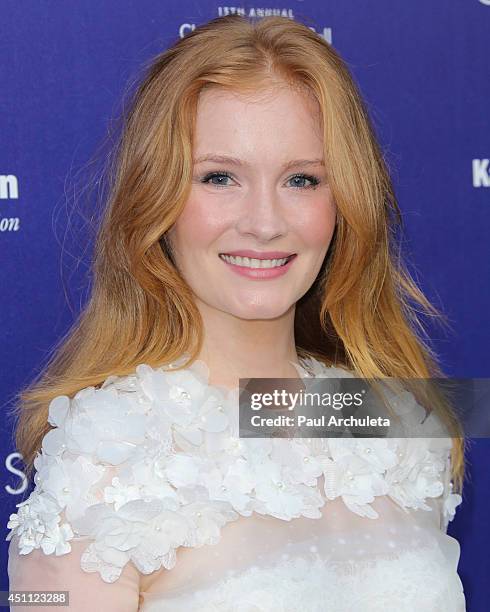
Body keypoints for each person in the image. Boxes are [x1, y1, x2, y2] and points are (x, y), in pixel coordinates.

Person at [6, 14, 466, 611]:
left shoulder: (385, 417)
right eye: (220, 177)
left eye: (301, 180)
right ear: (158, 197)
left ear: (346, 201)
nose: (265, 222)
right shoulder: (104, 461)